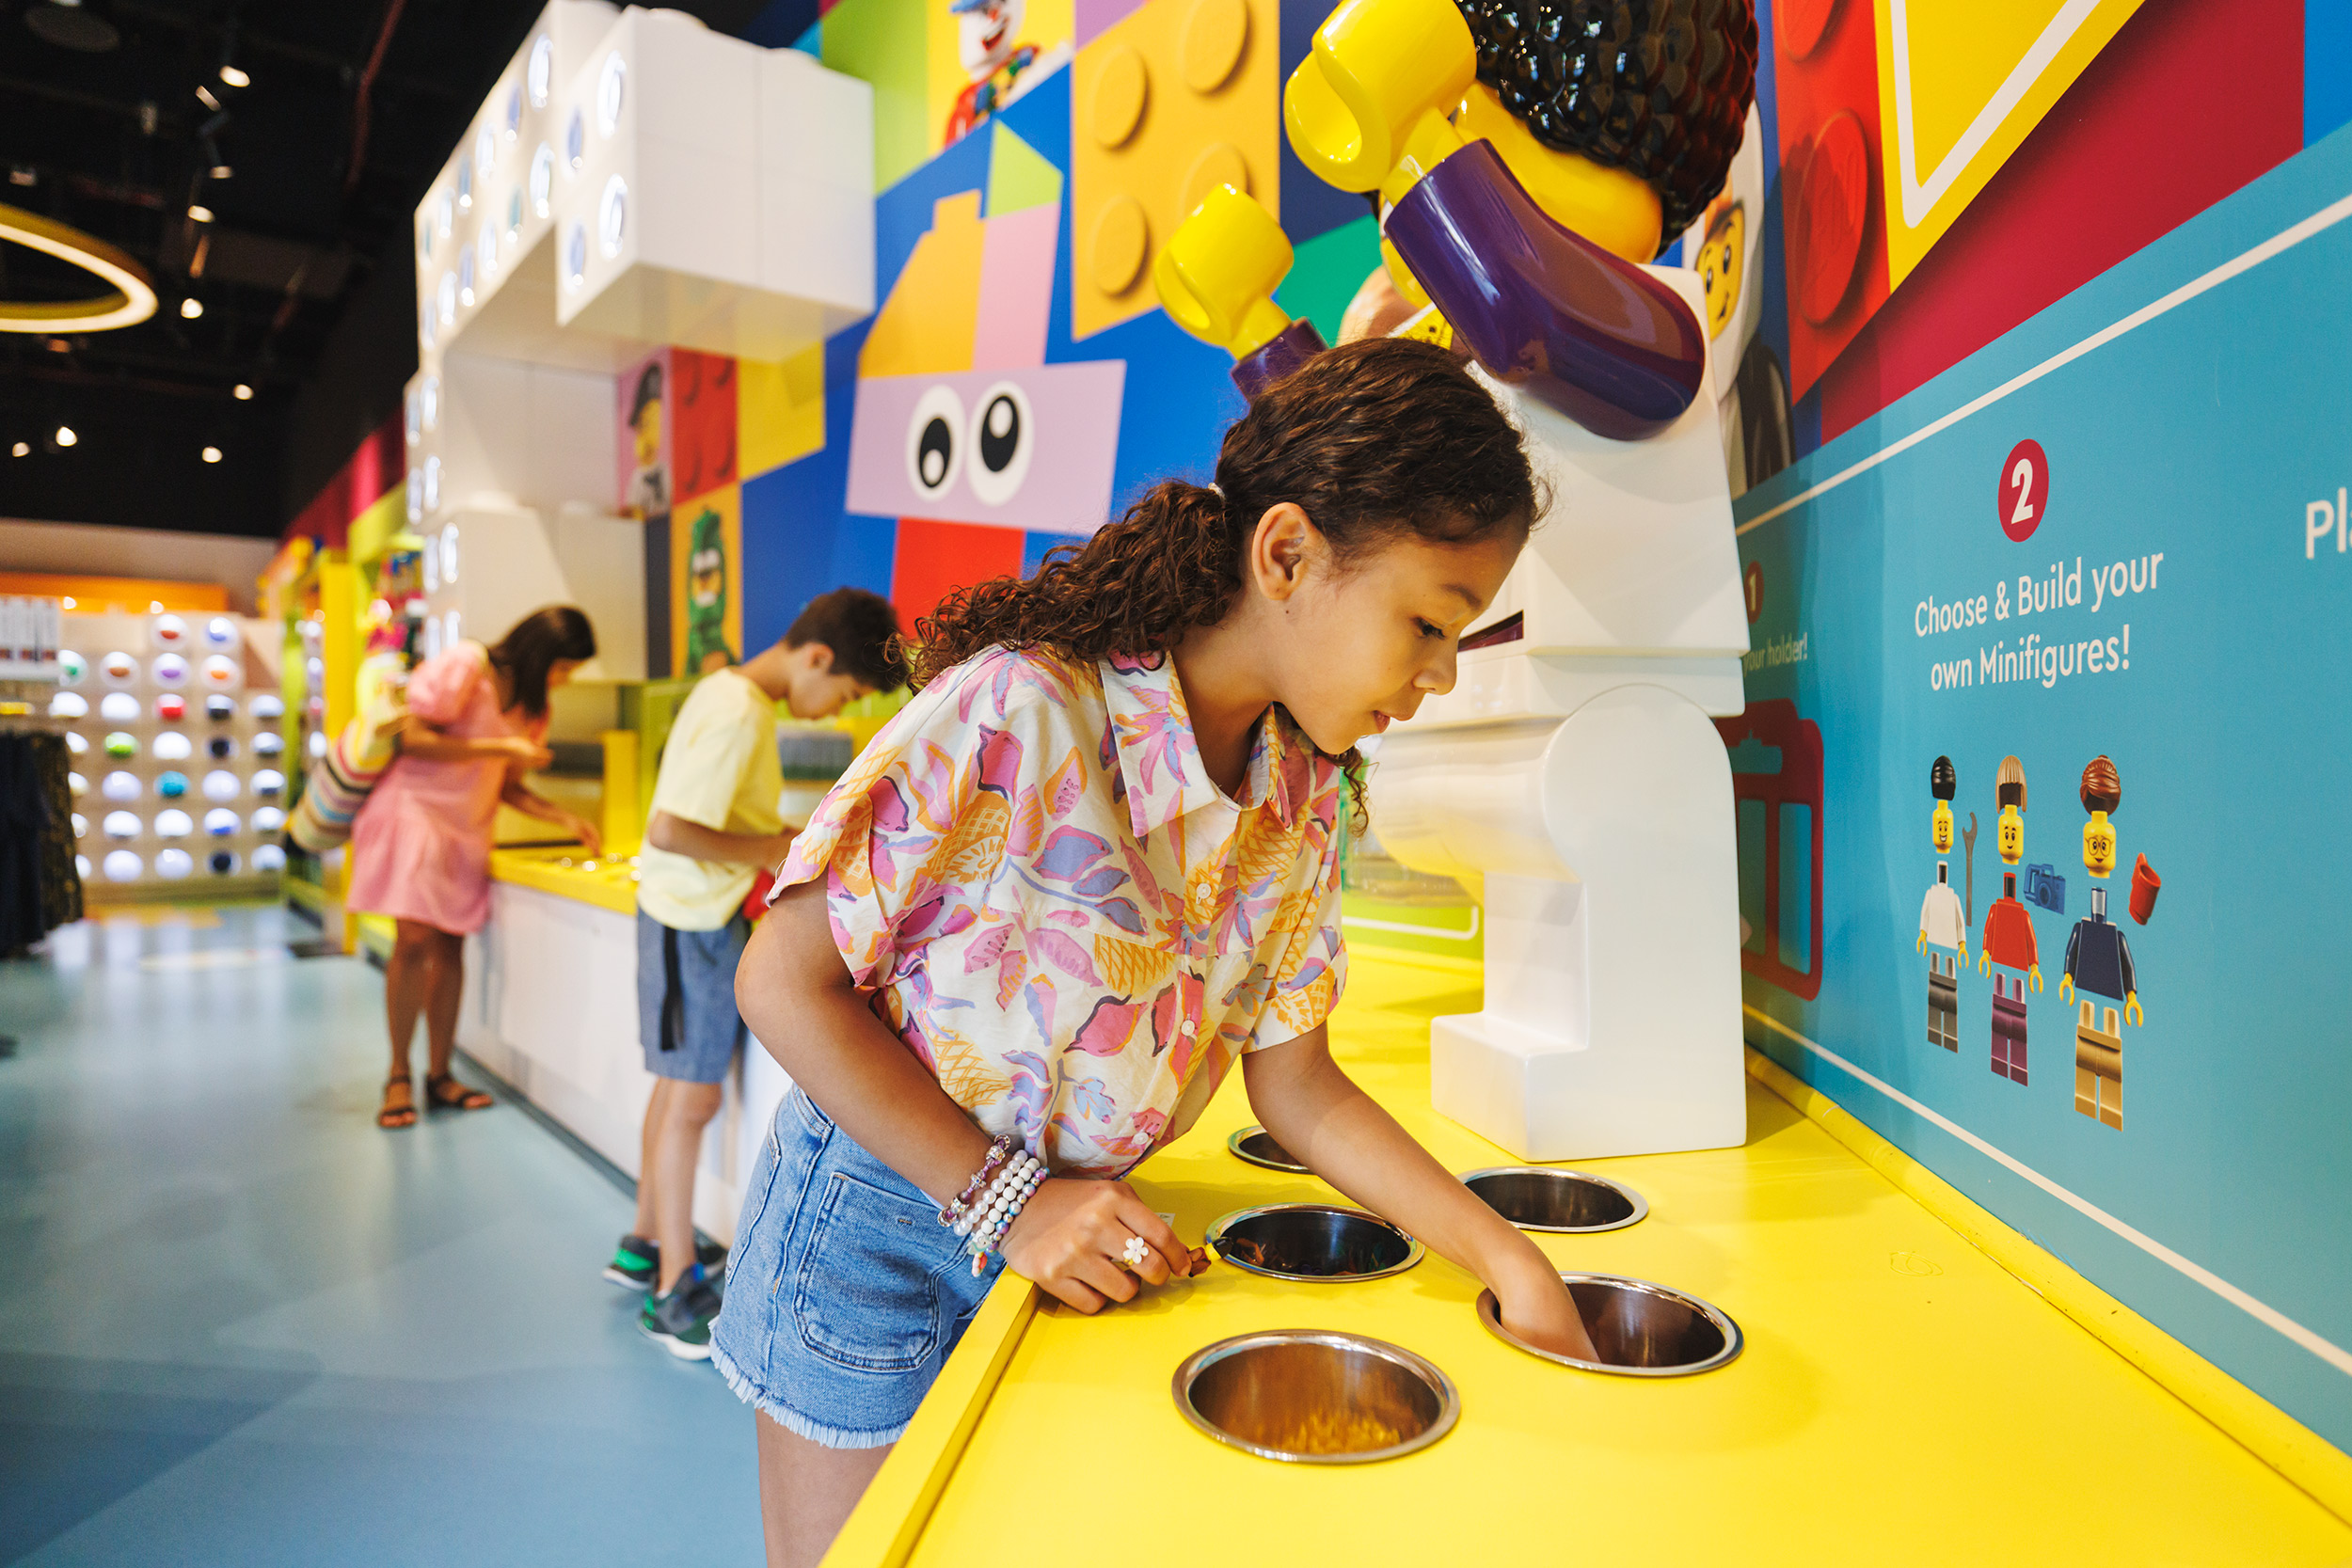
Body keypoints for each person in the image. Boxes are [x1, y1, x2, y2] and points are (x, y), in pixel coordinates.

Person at [714, 339, 1600, 1567]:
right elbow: (779, 977)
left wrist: (1506, 1254)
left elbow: (1299, 1085)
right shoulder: (1022, 708)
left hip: (1069, 1223)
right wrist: (1004, 1199)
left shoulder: (1298, 793)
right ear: (1286, 553)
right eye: (1427, 624)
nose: (1439, 678)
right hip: (885, 1222)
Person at [608, 589, 909, 1359]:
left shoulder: (724, 690)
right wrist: (778, 846)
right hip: (693, 923)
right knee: (693, 1100)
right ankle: (674, 1284)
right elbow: (670, 827)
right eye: (838, 694)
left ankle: (645, 1241)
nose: (823, 711)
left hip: (681, 917)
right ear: (815, 657)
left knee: (674, 1089)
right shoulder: (743, 711)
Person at [350, 607, 602, 1130]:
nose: (564, 679)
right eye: (563, 667)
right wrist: (500, 745)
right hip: (416, 815)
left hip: (467, 833)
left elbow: (505, 785)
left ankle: (439, 1075)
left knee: (451, 946)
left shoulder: (536, 708)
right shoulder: (468, 664)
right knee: (412, 941)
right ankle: (398, 1075)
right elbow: (411, 738)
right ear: (543, 652)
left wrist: (566, 818)